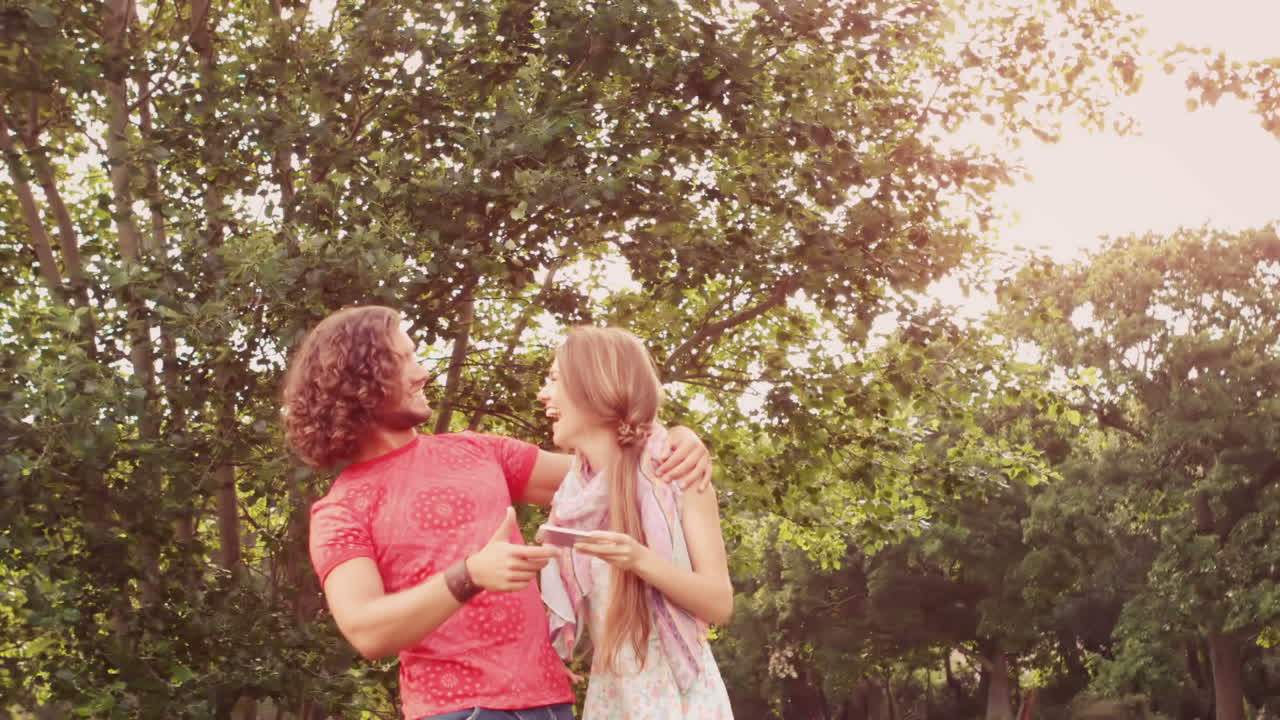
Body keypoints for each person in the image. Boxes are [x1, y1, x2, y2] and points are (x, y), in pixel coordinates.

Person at [281, 306, 712, 720]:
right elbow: (367, 631)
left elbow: (617, 476)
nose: (423, 372)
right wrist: (469, 574)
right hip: (459, 712)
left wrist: (675, 439)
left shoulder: (477, 450)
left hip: (551, 706)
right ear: (362, 379)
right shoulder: (339, 510)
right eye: (404, 360)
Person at [536, 326, 734, 720]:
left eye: (554, 379)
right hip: (612, 701)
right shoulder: (569, 500)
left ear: (594, 387)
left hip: (682, 700)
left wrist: (638, 559)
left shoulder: (677, 474)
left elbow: (719, 602)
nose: (543, 394)